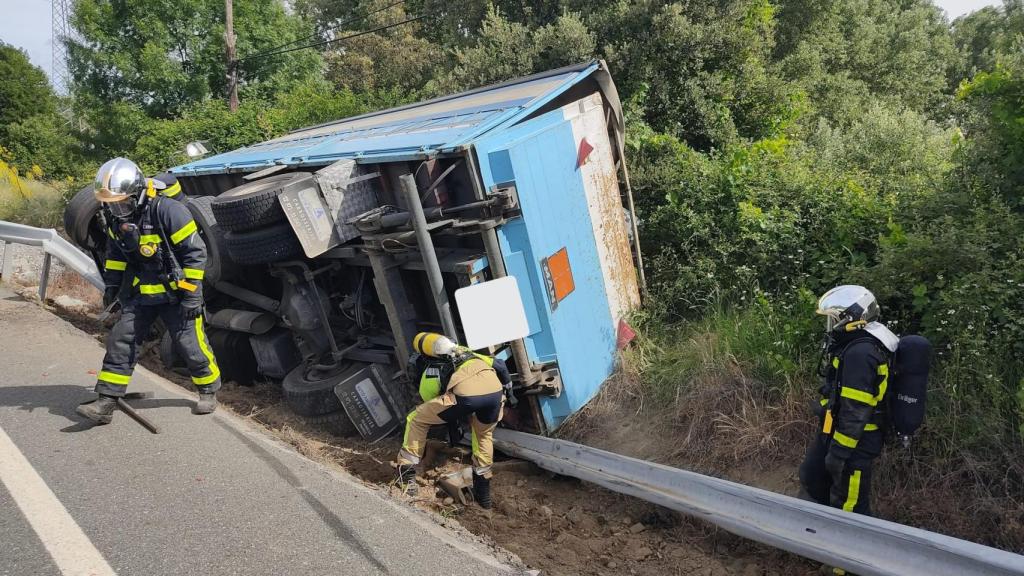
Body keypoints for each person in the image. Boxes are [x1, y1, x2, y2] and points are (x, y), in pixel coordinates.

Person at [76, 158, 220, 424]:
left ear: (138, 193)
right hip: (140, 294)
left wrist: (192, 297)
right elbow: (116, 256)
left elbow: (195, 256)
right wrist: (111, 287)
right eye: (111, 204)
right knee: (121, 341)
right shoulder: (113, 218)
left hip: (177, 294)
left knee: (190, 345)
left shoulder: (169, 212)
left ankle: (208, 389)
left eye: (122, 202)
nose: (117, 209)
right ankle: (106, 400)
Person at [799, 285, 899, 525]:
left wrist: (840, 453)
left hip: (856, 443)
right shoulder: (855, 345)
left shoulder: (861, 353)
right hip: (835, 432)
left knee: (850, 505)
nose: (831, 326)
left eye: (835, 319)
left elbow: (856, 411)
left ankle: (848, 560)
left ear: (854, 319)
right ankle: (819, 537)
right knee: (813, 477)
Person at [396, 333, 511, 509]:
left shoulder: (431, 371)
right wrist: (508, 386)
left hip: (466, 397)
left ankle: (406, 476)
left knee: (417, 419)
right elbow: (500, 365)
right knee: (483, 436)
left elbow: (431, 405)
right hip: (495, 394)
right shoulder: (466, 352)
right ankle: (483, 494)